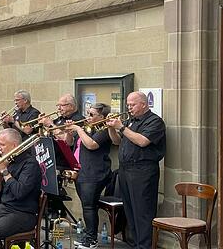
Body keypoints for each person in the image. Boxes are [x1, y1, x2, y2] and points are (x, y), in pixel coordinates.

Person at [106, 91, 165, 249]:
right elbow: (118, 141)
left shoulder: (155, 121)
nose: (129, 108)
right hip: (126, 170)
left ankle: (144, 246)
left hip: (143, 171)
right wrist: (111, 128)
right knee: (130, 210)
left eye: (132, 105)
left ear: (144, 104)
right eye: (128, 105)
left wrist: (121, 126)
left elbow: (142, 141)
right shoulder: (131, 121)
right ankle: (135, 244)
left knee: (142, 211)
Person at [66, 103, 112, 249]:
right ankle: (88, 235)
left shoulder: (105, 129)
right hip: (82, 172)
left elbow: (91, 144)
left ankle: (92, 239)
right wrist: (69, 131)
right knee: (86, 206)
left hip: (95, 173)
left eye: (91, 115)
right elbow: (70, 143)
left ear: (102, 117)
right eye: (88, 113)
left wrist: (78, 129)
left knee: (89, 206)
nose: (87, 117)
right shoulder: (88, 128)